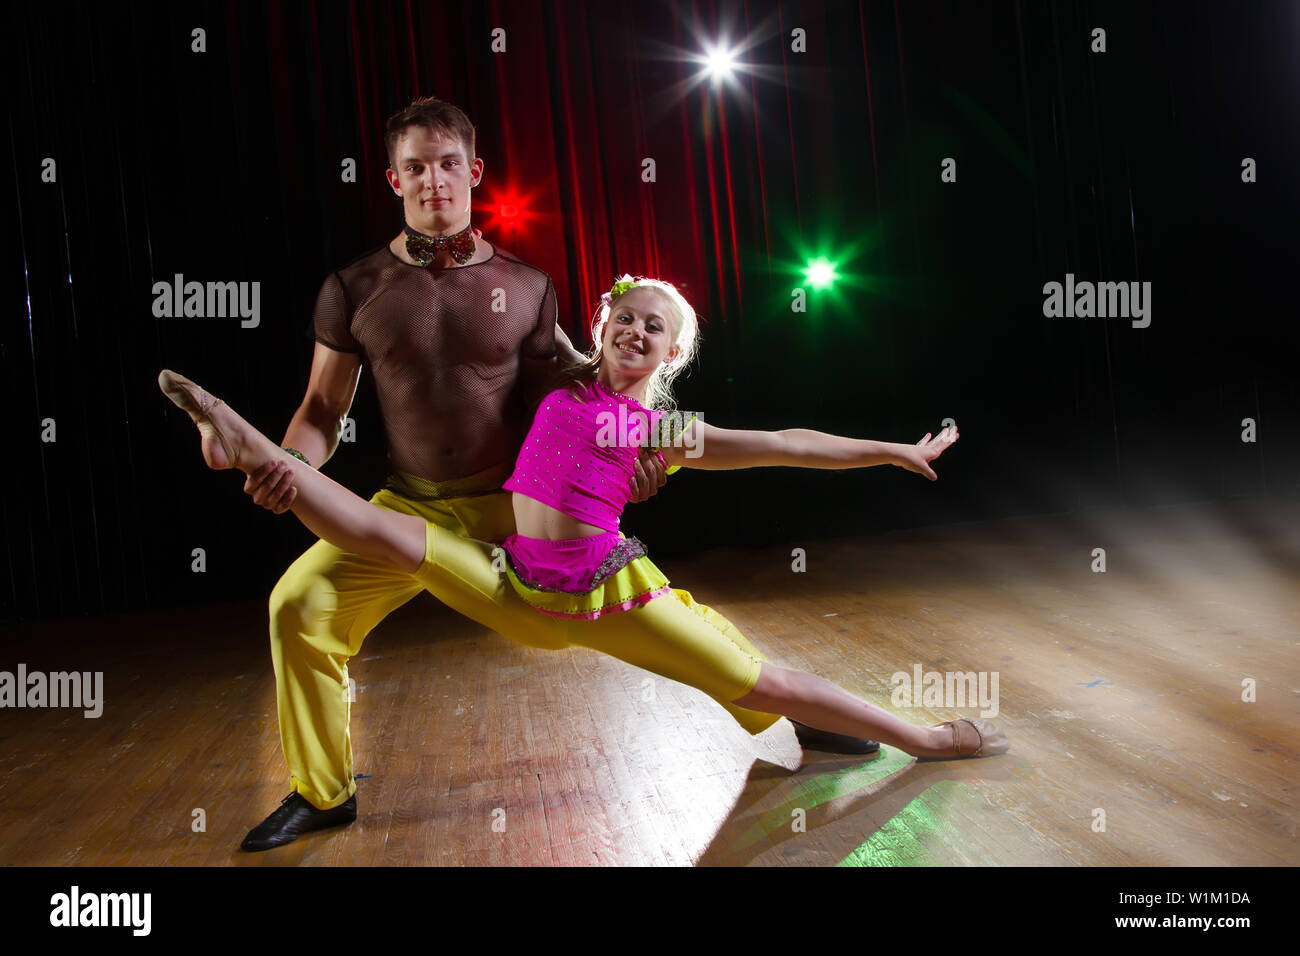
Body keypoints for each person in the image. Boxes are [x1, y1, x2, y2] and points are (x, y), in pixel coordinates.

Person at [227, 96, 872, 853]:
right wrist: (294, 465)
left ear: (472, 171)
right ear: (393, 181)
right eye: (414, 168)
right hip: (411, 507)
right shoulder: (353, 289)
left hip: (513, 505)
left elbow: (587, 383)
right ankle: (322, 792)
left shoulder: (526, 287)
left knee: (653, 610)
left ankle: (785, 709)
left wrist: (644, 452)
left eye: (445, 164)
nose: (432, 180)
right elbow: (319, 409)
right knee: (297, 607)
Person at [158, 276, 1010, 827]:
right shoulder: (559, 382)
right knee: (390, 533)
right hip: (519, 591)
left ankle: (923, 739)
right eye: (626, 318)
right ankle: (254, 450)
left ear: (673, 353)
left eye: (656, 329)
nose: (637, 332)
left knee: (766, 684)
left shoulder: (660, 428)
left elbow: (783, 441)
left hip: (612, 599)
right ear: (602, 326)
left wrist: (892, 450)